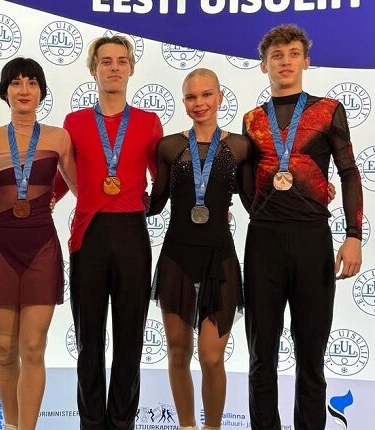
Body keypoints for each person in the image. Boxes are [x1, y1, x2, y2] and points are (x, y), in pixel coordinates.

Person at [242, 24, 362, 430]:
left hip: (312, 240)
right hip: (263, 243)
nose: (286, 62)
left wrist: (353, 236)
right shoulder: (252, 120)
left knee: (311, 356)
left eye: (294, 54)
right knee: (261, 356)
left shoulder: (328, 110)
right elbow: (247, 183)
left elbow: (349, 172)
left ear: (306, 61)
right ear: (264, 65)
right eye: (277, 55)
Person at [59, 35, 163, 429]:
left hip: (132, 233)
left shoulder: (148, 122)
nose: (114, 67)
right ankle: (91, 422)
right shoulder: (74, 123)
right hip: (88, 235)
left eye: (122, 61)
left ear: (131, 69)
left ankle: (122, 422)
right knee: (89, 341)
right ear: (93, 70)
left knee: (129, 339)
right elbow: (61, 178)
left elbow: (162, 179)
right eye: (106, 61)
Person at [147, 69, 251, 430]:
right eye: (191, 97)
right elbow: (155, 203)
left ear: (220, 97)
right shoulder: (169, 146)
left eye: (206, 95)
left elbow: (255, 203)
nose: (199, 103)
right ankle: (187, 425)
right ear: (183, 101)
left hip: (220, 259)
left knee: (211, 357)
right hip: (176, 257)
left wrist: (305, 193)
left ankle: (213, 427)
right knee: (178, 352)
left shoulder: (240, 147)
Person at [0, 57, 77, 430]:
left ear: (41, 91)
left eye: (32, 82)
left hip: (42, 249)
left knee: (33, 349)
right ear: (5, 91)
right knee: (5, 350)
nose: (24, 90)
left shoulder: (59, 137)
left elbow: (83, 189)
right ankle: (10, 424)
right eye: (16, 82)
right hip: (0, 247)